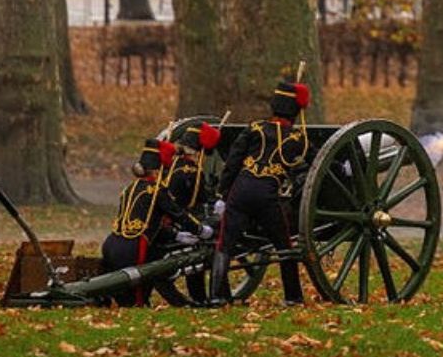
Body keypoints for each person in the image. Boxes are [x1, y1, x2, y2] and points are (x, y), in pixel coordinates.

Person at [216, 78, 312, 305]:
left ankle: (218, 297)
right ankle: (293, 297)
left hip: (239, 193)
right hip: (267, 198)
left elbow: (232, 163)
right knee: (284, 247)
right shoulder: (298, 138)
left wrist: (222, 194)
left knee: (224, 245)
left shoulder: (254, 128)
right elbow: (316, 161)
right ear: (296, 111)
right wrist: (343, 168)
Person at [100, 140, 201, 307]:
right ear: (157, 170)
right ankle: (181, 303)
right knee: (155, 274)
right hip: (134, 248)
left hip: (112, 245)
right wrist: (200, 229)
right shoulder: (156, 191)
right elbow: (178, 214)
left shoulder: (130, 188)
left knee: (127, 297)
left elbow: (147, 221)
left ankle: (179, 303)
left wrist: (176, 235)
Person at [162, 120, 226, 304]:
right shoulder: (192, 171)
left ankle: (199, 297)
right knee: (214, 243)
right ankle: (210, 296)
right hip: (183, 220)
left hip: (172, 217)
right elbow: (202, 198)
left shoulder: (172, 164)